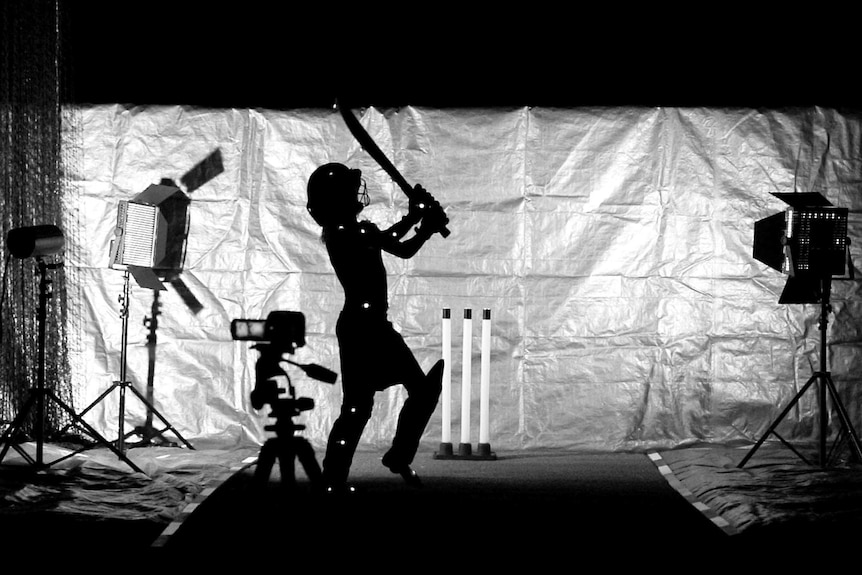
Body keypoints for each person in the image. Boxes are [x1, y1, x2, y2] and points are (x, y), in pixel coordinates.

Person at [306, 162, 450, 492]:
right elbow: (392, 242)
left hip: (370, 324)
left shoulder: (355, 232)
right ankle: (336, 477)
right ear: (337, 199)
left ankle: (393, 457)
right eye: (348, 191)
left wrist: (418, 220)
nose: (357, 195)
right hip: (362, 327)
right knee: (358, 408)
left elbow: (395, 242)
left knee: (408, 394)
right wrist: (421, 223)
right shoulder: (346, 234)